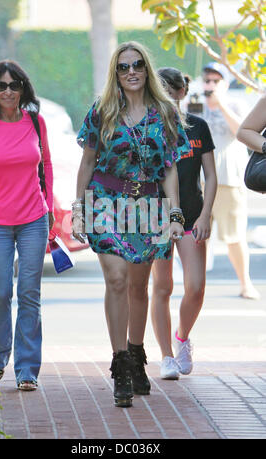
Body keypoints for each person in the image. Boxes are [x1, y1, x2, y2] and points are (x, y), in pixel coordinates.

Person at [73, 41, 190, 408]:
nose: (131, 72)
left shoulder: (165, 112)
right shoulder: (102, 111)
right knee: (117, 280)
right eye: (123, 67)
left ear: (147, 69)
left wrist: (174, 214)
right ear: (116, 73)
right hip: (106, 201)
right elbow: (87, 162)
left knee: (140, 287)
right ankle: (121, 364)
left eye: (137, 64)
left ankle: (138, 355)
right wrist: (79, 210)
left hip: (149, 206)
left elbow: (170, 167)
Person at [0, 60, 54, 391]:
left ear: (22, 89)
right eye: (0, 86)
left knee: (29, 294)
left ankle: (28, 368)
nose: (7, 91)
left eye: (13, 85)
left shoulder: (35, 122)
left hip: (33, 218)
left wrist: (49, 209)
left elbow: (46, 164)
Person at [150, 67, 217, 379]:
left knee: (195, 287)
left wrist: (206, 215)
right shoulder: (149, 129)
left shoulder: (197, 127)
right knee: (162, 287)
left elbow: (211, 176)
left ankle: (182, 338)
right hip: (158, 218)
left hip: (193, 216)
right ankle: (165, 357)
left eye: (168, 89)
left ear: (180, 92)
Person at [200, 62, 260, 300]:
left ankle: (245, 283)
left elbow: (242, 132)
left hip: (229, 179)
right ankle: (196, 284)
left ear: (224, 83)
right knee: (198, 236)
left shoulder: (235, 104)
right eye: (207, 80)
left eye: (216, 81)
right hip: (199, 181)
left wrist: (220, 104)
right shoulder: (193, 104)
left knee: (235, 236)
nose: (211, 85)